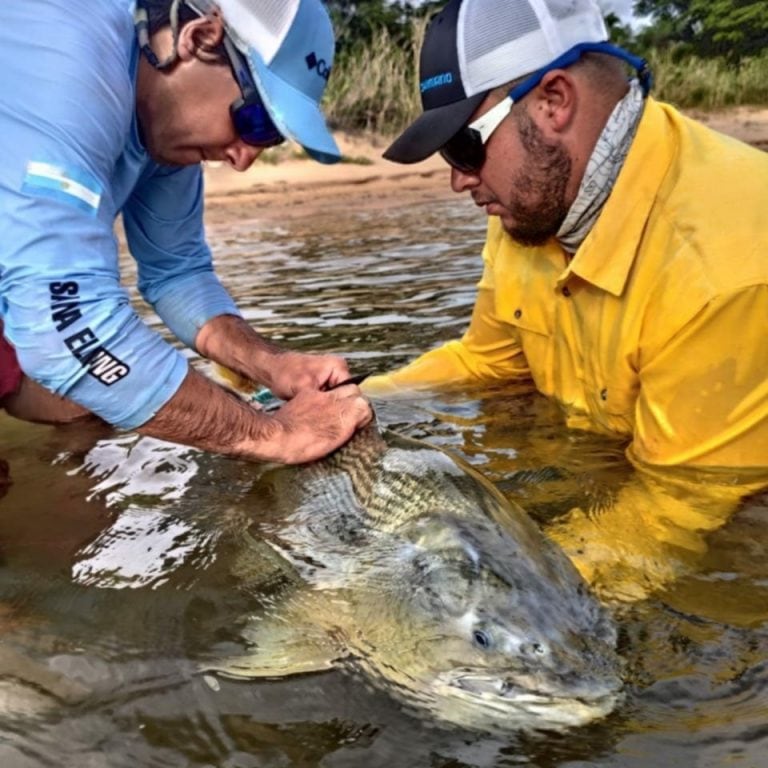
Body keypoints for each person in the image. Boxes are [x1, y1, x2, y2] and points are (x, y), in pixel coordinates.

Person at [364, 0, 768, 598]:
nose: (458, 179)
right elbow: (485, 363)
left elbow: (680, 505)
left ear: (553, 102)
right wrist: (354, 404)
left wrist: (472, 596)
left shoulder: (725, 269)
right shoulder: (532, 206)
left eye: (464, 148)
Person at [0, 0, 372, 465]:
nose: (244, 158)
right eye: (253, 120)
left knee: (87, 414)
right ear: (197, 39)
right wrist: (274, 434)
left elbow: (177, 272)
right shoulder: (69, 69)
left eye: (271, 137)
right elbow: (66, 331)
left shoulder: (163, 124)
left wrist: (271, 364)